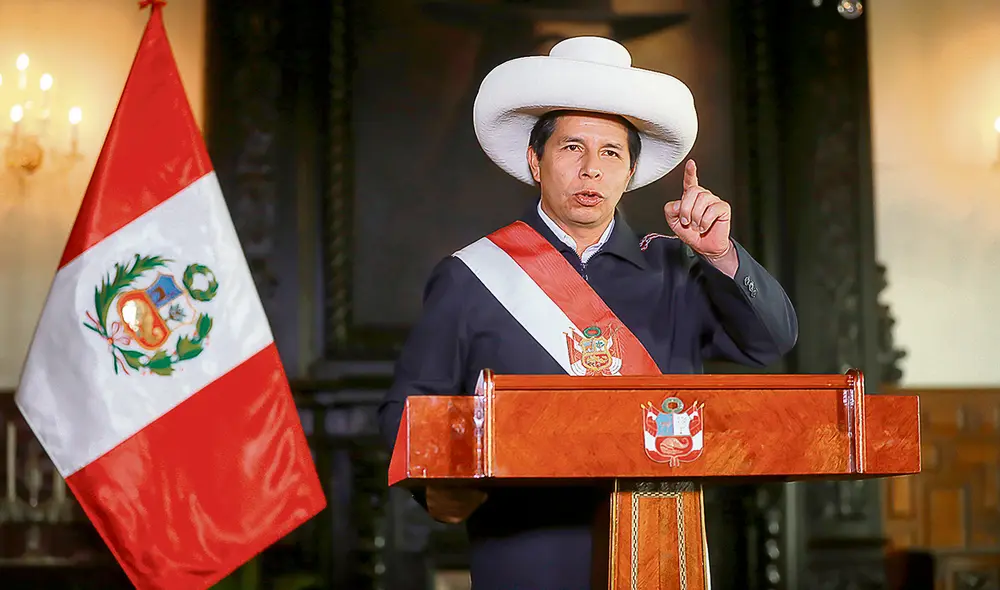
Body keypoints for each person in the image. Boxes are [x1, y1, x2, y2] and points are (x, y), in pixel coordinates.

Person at [377, 36, 798, 589]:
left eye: (610, 154)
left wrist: (721, 253)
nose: (591, 170)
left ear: (630, 173)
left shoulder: (676, 269)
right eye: (572, 148)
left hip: (659, 552)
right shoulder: (472, 275)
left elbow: (771, 341)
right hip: (522, 556)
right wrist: (437, 488)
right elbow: (403, 411)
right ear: (535, 160)